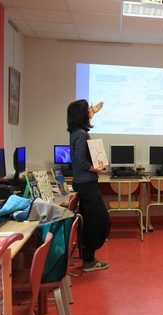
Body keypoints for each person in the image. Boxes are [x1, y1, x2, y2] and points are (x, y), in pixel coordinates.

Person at [67, 100, 111, 272]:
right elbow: (79, 158)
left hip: (84, 182)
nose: (90, 111)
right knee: (100, 221)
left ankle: (88, 259)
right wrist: (94, 168)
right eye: (88, 110)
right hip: (86, 183)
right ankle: (89, 259)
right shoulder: (81, 134)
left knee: (89, 221)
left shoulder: (77, 132)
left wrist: (93, 111)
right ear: (81, 115)